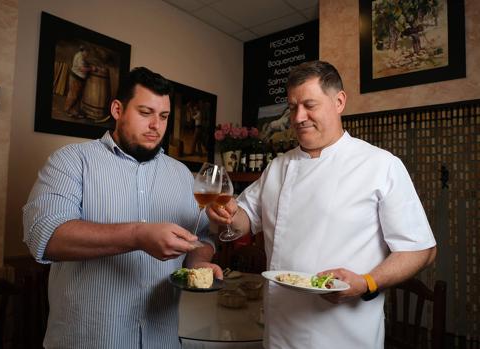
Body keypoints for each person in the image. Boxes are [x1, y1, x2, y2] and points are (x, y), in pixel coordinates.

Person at [206, 60, 436, 348]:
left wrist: (367, 282)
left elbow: (420, 250)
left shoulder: (381, 165)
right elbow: (244, 220)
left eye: (309, 105)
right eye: (292, 107)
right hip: (279, 332)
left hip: (346, 334)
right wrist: (227, 213)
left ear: (339, 101)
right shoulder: (278, 166)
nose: (299, 117)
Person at [24, 67, 222, 349]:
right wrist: (137, 236)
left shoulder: (182, 175)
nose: (156, 125)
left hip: (162, 338)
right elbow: (44, 236)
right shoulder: (71, 161)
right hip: (89, 339)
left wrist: (199, 262)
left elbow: (200, 236)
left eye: (163, 116)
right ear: (117, 109)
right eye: (145, 113)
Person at [64, 45, 95, 118]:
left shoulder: (80, 56)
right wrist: (91, 69)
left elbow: (83, 64)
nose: (87, 54)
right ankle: (68, 110)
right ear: (83, 51)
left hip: (78, 79)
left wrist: (88, 65)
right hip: (76, 78)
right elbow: (82, 69)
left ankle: (73, 112)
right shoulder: (80, 57)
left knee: (77, 95)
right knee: (73, 95)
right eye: (87, 52)